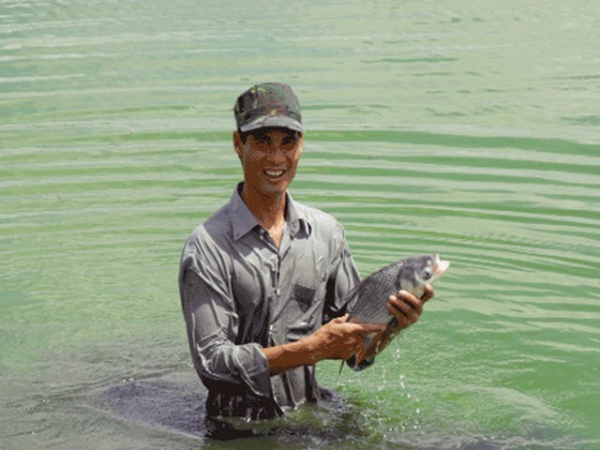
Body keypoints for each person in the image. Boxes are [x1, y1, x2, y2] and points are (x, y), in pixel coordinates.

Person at [178, 82, 434, 422]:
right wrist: (310, 350)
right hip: (237, 430)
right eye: (262, 142)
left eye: (288, 142)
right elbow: (212, 365)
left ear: (301, 144)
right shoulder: (208, 247)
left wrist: (393, 325)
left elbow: (356, 352)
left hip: (310, 416)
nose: (276, 158)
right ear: (238, 144)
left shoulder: (326, 235)